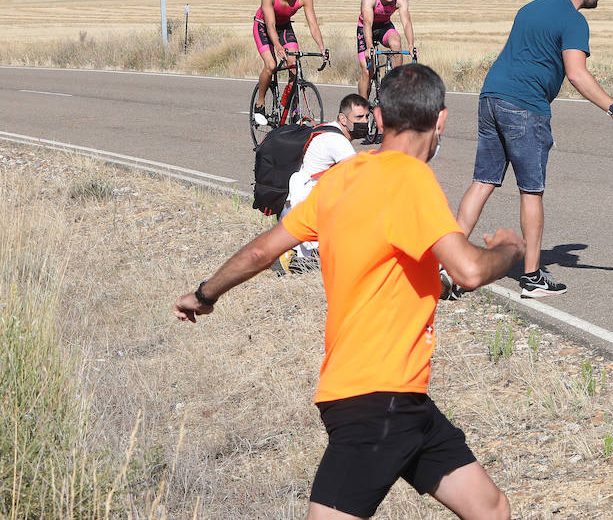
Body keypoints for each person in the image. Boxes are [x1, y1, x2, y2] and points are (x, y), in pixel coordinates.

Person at [175, 64, 525, 520]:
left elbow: (263, 251)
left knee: (492, 509)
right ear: (441, 120)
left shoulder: (340, 179)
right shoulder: (412, 179)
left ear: (378, 119)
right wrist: (511, 250)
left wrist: (205, 294)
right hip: (378, 399)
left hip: (400, 399)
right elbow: (469, 271)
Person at [454, 0, 613, 299]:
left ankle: (447, 263)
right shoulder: (573, 19)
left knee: (483, 181)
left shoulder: (530, 8)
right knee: (531, 191)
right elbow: (577, 73)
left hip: (491, 97)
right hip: (525, 107)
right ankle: (532, 277)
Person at [279, 93, 371, 274]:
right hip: (307, 211)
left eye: (367, 117)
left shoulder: (330, 129)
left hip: (303, 208)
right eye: (359, 117)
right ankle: (293, 258)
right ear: (343, 119)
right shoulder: (336, 140)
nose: (365, 122)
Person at [253, 0, 328, 124]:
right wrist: (278, 46)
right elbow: (270, 25)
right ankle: (260, 104)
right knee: (271, 65)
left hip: (285, 27)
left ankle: (292, 110)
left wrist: (322, 48)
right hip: (264, 26)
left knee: (294, 67)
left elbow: (313, 25)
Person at [357, 0, 418, 101]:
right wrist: (369, 47)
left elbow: (407, 23)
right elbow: (367, 23)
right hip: (366, 28)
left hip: (384, 26)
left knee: (396, 43)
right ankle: (361, 107)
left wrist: (411, 45)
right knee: (368, 71)